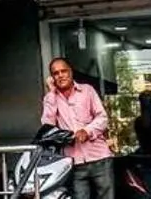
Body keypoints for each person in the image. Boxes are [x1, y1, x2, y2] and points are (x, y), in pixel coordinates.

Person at [42, 57, 114, 199]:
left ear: (71, 72)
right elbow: (47, 126)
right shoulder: (51, 98)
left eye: (64, 71)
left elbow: (102, 118)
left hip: (99, 158)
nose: (61, 75)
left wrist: (87, 131)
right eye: (56, 73)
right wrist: (51, 92)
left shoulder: (88, 91)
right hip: (74, 162)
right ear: (52, 77)